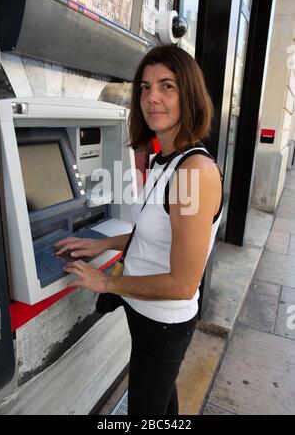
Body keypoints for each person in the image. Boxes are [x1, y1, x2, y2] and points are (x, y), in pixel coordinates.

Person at [54, 45, 223, 415]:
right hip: (145, 313)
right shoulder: (169, 158)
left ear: (189, 95)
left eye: (167, 86)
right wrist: (97, 242)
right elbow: (155, 232)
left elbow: (182, 282)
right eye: (145, 88)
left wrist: (106, 283)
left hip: (163, 322)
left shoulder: (193, 173)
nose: (152, 98)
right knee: (161, 401)